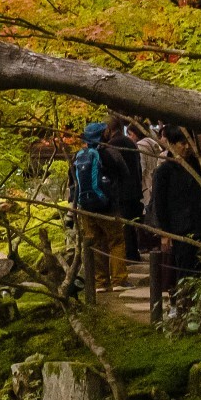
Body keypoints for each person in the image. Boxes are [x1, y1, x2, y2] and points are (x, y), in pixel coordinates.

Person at [147, 127, 201, 286]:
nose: (187, 147)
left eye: (189, 143)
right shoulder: (164, 171)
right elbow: (159, 204)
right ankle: (181, 304)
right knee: (184, 272)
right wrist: (164, 233)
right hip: (180, 229)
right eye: (182, 143)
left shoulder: (198, 167)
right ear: (172, 145)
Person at [69, 122, 127, 292]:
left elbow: (72, 183)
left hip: (86, 207)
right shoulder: (111, 153)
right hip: (108, 206)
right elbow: (125, 175)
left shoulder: (78, 156)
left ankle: (100, 282)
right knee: (116, 241)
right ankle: (119, 280)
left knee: (96, 243)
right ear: (103, 134)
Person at [104, 114, 146, 262]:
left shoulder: (112, 145)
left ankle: (128, 255)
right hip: (135, 188)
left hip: (122, 190)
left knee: (124, 226)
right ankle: (134, 253)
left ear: (109, 129)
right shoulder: (131, 142)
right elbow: (139, 167)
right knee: (132, 224)